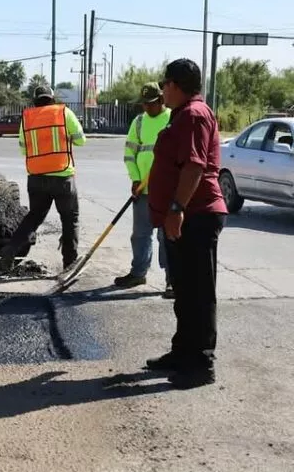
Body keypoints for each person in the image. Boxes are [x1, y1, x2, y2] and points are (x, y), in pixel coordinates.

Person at [145, 58, 227, 389]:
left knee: (198, 291)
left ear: (176, 85)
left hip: (197, 214)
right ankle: (182, 352)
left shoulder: (193, 115)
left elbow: (194, 167)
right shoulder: (183, 114)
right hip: (183, 216)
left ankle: (201, 364)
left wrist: (176, 208)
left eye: (165, 84)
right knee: (184, 289)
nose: (162, 90)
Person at [0, 86, 86, 271]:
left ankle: (10, 249)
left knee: (34, 217)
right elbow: (81, 139)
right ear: (52, 98)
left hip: (36, 177)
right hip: (62, 176)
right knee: (70, 219)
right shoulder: (64, 112)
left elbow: (24, 148)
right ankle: (69, 264)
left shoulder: (27, 117)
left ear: (35, 100)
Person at [114, 82, 174, 297]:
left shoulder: (173, 119)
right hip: (142, 189)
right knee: (140, 234)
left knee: (167, 236)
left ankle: (172, 280)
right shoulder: (138, 122)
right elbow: (130, 153)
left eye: (151, 104)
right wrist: (135, 179)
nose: (147, 108)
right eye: (144, 104)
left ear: (161, 100)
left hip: (166, 190)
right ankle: (138, 272)